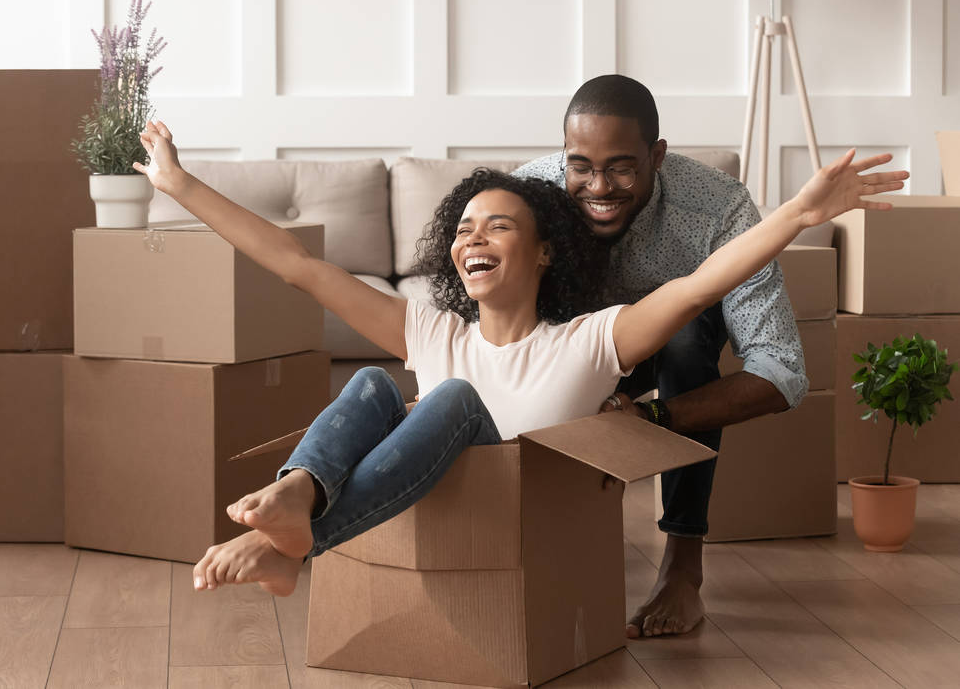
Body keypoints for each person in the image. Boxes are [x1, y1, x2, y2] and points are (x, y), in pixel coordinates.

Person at [132, 119, 906, 602]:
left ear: (543, 254)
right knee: (374, 382)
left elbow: (705, 282)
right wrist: (179, 184)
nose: (473, 238)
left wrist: (800, 212)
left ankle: (292, 544)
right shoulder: (434, 332)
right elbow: (296, 262)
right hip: (434, 506)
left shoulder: (589, 341)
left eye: (497, 227)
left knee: (451, 402)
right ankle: (299, 497)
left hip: (520, 521)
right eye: (464, 228)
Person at [513, 74, 828, 638]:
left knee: (685, 342)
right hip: (566, 345)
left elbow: (782, 372)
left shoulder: (718, 207)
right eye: (579, 165)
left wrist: (654, 418)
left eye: (621, 167)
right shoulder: (530, 195)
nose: (597, 187)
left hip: (669, 355)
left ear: (656, 155)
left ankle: (684, 565)